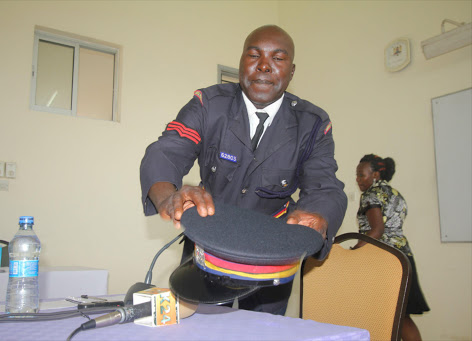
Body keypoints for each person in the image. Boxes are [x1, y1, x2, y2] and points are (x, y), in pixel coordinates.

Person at [140, 25, 347, 315]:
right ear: (240, 62)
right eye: (254, 55)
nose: (264, 65)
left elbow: (325, 186)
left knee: (263, 332)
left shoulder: (312, 124)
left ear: (291, 71)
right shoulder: (208, 104)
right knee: (199, 328)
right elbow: (167, 150)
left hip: (271, 253)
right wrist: (167, 197)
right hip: (208, 243)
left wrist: (318, 215)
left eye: (278, 58)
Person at [353, 154, 430, 341]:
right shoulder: (396, 194)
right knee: (402, 316)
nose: (358, 179)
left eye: (362, 175)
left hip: (384, 260)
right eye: (357, 175)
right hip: (404, 258)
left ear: (376, 175)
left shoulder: (371, 195)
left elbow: (377, 231)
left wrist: (353, 252)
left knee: (385, 315)